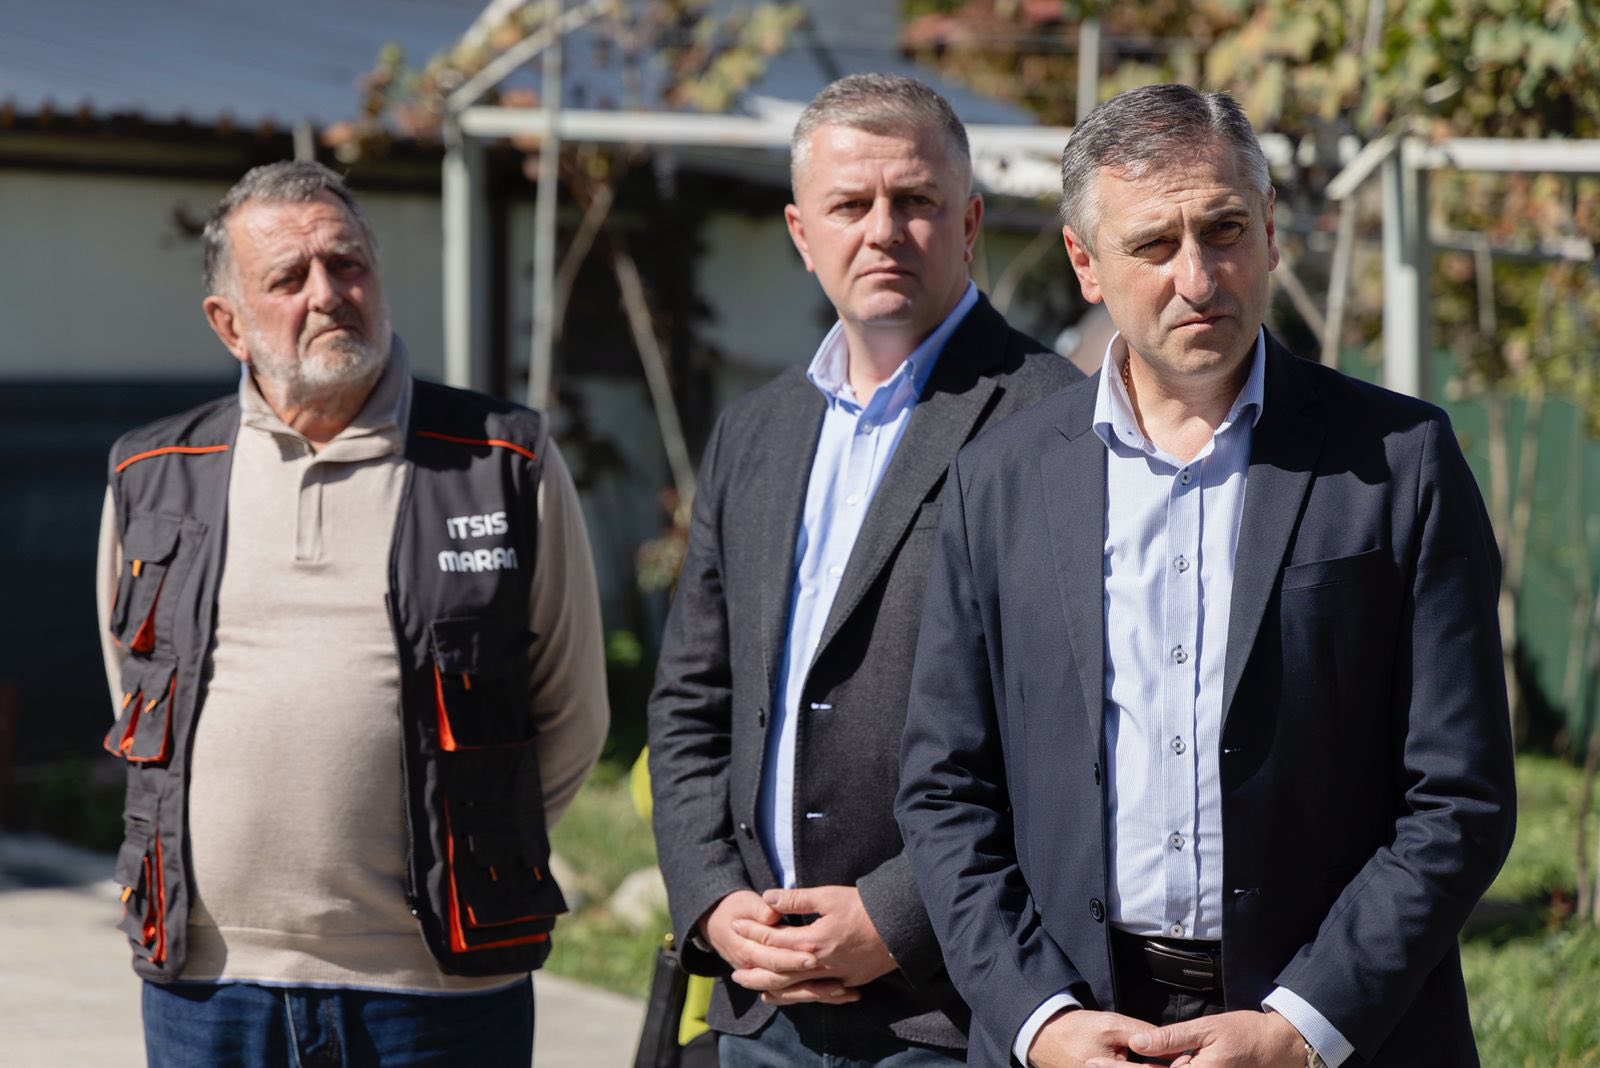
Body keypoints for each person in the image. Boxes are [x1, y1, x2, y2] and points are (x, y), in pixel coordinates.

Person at [895, 84, 1517, 1068]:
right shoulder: (1000, 480)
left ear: (1269, 231)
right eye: (1152, 244)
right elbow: (944, 790)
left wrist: (1302, 1027)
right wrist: (1038, 1019)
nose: (1197, 277)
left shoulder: (1400, 462)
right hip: (1079, 1026)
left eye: (1223, 229)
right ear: (1085, 264)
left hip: (1340, 1034)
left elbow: (1459, 795)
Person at [96, 160, 608, 1065]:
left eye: (347, 264)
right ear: (229, 323)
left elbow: (573, 710)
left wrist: (476, 845)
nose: (328, 294)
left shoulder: (499, 459)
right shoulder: (153, 474)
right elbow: (136, 693)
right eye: (288, 278)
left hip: (437, 993)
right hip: (209, 988)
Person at [646, 73, 1078, 1066]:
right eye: (850, 205)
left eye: (914, 200)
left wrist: (900, 916)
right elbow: (691, 701)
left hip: (947, 1013)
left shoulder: (1054, 420)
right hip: (761, 1009)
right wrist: (711, 899)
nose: (883, 231)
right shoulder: (754, 432)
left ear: (969, 222)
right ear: (803, 234)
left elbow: (1066, 732)